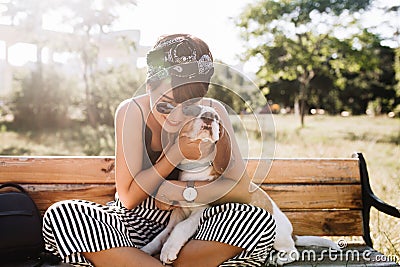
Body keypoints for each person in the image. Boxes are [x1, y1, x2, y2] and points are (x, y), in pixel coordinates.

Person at [42, 34, 276, 267]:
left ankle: (135, 263)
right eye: (165, 104)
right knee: (62, 216)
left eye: (189, 106)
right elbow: (128, 199)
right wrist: (176, 153)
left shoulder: (212, 113)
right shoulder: (132, 111)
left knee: (258, 222)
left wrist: (176, 192)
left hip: (196, 225)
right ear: (149, 86)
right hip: (130, 227)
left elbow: (241, 192)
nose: (176, 115)